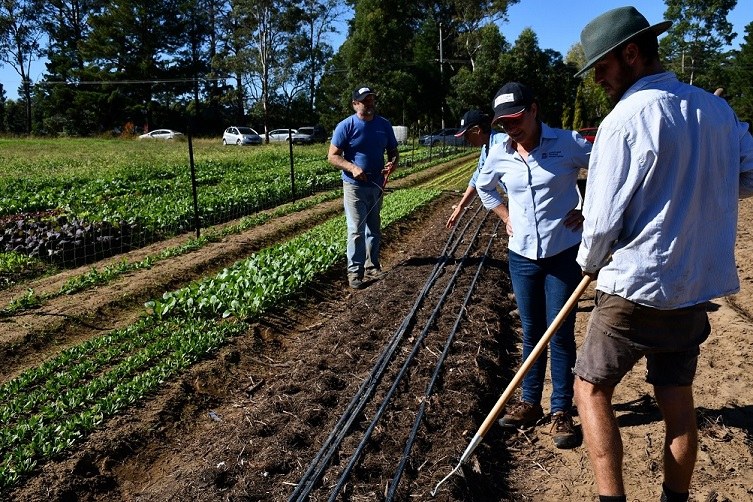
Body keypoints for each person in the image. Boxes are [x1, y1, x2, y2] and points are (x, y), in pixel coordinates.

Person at [572, 7, 753, 502]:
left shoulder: (626, 119)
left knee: (589, 388)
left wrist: (589, 264)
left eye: (602, 68)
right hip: (693, 288)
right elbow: (748, 175)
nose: (599, 81)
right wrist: (696, 202)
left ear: (631, 53)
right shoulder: (719, 112)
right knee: (676, 400)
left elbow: (603, 219)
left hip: (634, 287)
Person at [475, 81, 592, 449]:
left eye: (516, 118)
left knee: (559, 332)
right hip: (522, 255)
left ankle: (561, 410)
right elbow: (484, 187)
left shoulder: (567, 143)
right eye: (503, 122)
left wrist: (587, 210)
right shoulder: (498, 153)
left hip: (563, 253)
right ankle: (530, 402)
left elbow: (610, 172)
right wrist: (505, 214)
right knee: (531, 329)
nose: (511, 127)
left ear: (534, 109)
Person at [328, 86, 399, 290]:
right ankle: (354, 272)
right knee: (356, 230)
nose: (368, 103)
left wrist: (393, 163)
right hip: (354, 186)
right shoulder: (346, 126)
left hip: (376, 184)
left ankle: (372, 265)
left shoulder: (383, 125)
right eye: (364, 100)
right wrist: (352, 167)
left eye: (371, 99)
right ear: (355, 104)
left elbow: (393, 150)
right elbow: (332, 156)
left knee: (374, 229)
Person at [445, 109, 504, 228]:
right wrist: (460, 207)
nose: (466, 139)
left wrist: (507, 217)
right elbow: (477, 178)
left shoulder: (503, 144)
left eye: (467, 135)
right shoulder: (486, 148)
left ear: (477, 130)